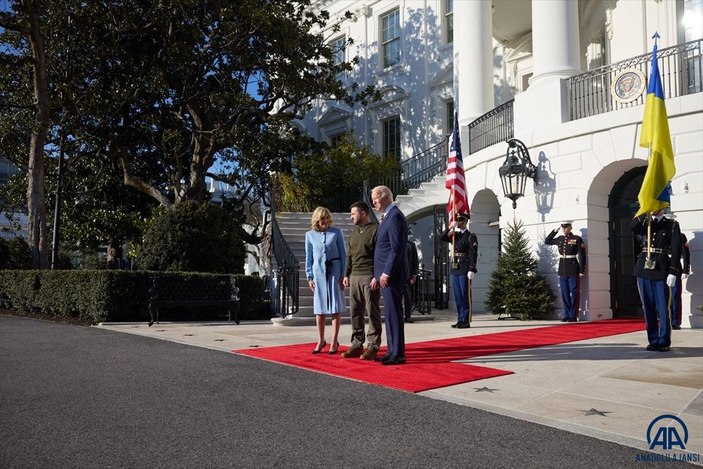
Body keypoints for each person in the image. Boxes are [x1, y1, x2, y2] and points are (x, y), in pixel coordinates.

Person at [630, 209, 682, 351]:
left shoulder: (671, 224)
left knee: (663, 307)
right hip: (643, 267)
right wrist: (642, 212)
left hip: (661, 268)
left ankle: (664, 340)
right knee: (648, 307)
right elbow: (632, 226)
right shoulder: (645, 222)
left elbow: (677, 249)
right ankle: (653, 339)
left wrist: (673, 271)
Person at [370, 185, 408, 366]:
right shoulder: (387, 217)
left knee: (394, 314)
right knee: (390, 315)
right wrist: (377, 275)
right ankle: (392, 351)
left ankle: (398, 354)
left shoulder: (395, 217)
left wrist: (386, 272)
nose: (373, 202)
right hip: (384, 276)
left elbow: (396, 248)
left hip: (392, 275)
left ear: (385, 197)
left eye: (375, 198)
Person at [342, 201, 382, 361]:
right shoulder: (353, 233)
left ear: (363, 214)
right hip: (354, 277)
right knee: (355, 312)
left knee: (372, 312)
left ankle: (373, 346)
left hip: (369, 276)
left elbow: (380, 255)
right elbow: (349, 255)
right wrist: (346, 274)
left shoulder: (375, 230)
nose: (351, 217)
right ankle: (357, 344)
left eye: (354, 214)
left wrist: (376, 276)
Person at [305, 207, 346, 355]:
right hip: (318, 273)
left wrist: (343, 274)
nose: (325, 221)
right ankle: (321, 340)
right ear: (317, 219)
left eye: (327, 218)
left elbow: (343, 255)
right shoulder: (309, 235)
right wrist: (309, 276)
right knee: (320, 309)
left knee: (335, 307)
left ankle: (334, 341)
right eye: (322, 218)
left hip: (335, 272)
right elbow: (308, 258)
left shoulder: (336, 233)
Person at [440, 213, 478, 329]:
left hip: (464, 268)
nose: (458, 222)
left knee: (464, 295)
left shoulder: (471, 236)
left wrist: (472, 268)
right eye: (457, 220)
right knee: (457, 296)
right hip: (455, 268)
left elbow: (473, 253)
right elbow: (443, 238)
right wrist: (450, 228)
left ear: (465, 221)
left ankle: (466, 320)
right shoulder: (455, 235)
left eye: (460, 220)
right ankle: (460, 319)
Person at [544, 221, 587, 322]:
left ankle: (573, 315)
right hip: (562, 269)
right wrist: (555, 231)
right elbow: (547, 241)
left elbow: (582, 255)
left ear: (570, 228)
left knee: (574, 292)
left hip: (573, 269)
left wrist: (582, 270)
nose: (564, 229)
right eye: (562, 227)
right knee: (565, 293)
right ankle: (567, 314)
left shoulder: (576, 239)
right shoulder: (560, 239)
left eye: (566, 227)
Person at [666, 214, 691, 330]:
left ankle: (675, 321)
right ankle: (665, 319)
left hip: (675, 267)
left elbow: (685, 253)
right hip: (662, 266)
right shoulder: (661, 233)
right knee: (663, 295)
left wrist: (686, 269)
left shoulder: (681, 236)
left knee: (675, 295)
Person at [403, 234, 419, 323]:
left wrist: (414, 275)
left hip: (407, 277)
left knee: (408, 298)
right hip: (396, 276)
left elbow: (415, 261)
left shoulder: (411, 245)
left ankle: (408, 316)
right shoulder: (393, 243)